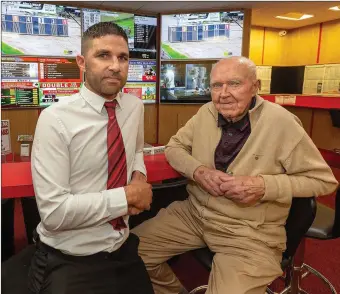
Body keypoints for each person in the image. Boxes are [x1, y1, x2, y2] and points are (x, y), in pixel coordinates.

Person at [133, 56, 339, 294]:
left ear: (255, 87)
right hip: (194, 214)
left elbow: (324, 181)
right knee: (128, 254)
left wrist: (263, 186)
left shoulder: (282, 122)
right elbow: (174, 147)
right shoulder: (206, 112)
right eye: (216, 86)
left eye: (234, 84)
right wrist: (198, 172)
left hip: (250, 232)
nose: (223, 93)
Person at [28, 22, 154, 294]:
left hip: (121, 246)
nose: (115, 66)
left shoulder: (133, 106)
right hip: (70, 258)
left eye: (123, 58)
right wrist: (128, 197)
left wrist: (139, 176)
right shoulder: (56, 119)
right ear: (82, 62)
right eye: (103, 55)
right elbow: (54, 213)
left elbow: (136, 150)